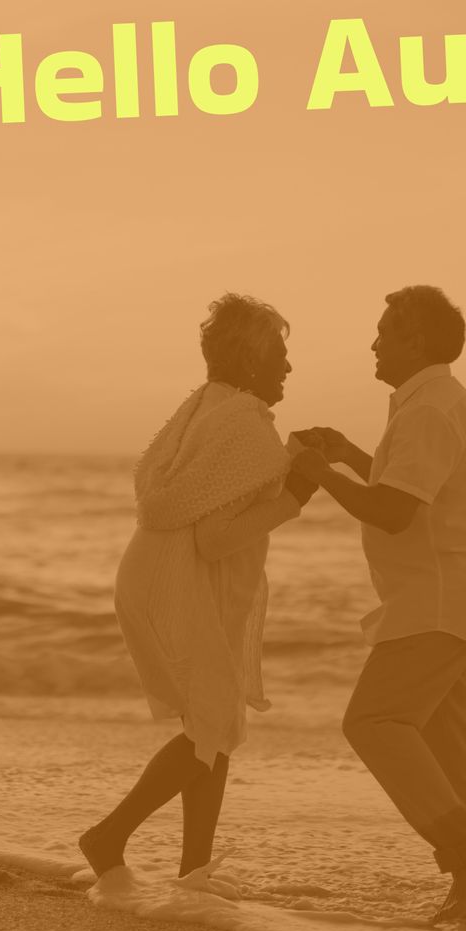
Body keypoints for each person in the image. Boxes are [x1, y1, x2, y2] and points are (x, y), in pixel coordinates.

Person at [291, 285, 466, 924]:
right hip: (461, 597)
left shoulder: (428, 411)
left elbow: (392, 512)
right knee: (454, 750)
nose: (374, 343)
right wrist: (346, 454)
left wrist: (318, 473)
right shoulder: (435, 402)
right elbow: (411, 489)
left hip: (437, 601)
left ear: (416, 341)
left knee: (374, 722)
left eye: (385, 331)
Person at [79, 293, 315, 882]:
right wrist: (296, 494)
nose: (288, 367)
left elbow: (206, 499)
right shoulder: (247, 427)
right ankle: (107, 837)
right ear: (252, 359)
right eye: (280, 354)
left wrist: (289, 465)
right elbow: (215, 538)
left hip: (151, 577)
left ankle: (195, 871)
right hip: (176, 586)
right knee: (212, 725)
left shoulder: (206, 410)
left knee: (213, 726)